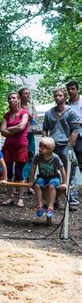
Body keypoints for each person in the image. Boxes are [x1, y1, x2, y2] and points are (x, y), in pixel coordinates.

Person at [43, 87, 80, 211]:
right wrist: (45, 143)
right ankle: (53, 200)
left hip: (65, 146)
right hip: (52, 146)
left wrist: (69, 146)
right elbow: (44, 129)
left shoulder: (72, 112)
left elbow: (75, 131)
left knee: (70, 173)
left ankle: (72, 201)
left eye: (60, 95)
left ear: (65, 97)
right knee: (51, 173)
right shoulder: (49, 113)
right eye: (55, 96)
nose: (57, 98)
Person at [0, 92, 29, 208]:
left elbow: (22, 126)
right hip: (8, 146)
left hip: (21, 146)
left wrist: (9, 129)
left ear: (18, 100)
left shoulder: (24, 113)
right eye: (10, 98)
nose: (12, 100)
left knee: (19, 172)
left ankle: (21, 198)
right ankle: (10, 196)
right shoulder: (6, 115)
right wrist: (13, 129)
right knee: (8, 172)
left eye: (14, 98)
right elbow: (2, 131)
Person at [29, 137, 67, 219]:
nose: (40, 148)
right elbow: (33, 169)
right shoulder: (37, 156)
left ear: (50, 148)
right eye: (40, 146)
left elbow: (62, 170)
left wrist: (64, 183)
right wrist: (31, 181)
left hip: (54, 177)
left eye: (43, 146)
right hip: (42, 177)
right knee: (37, 185)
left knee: (51, 186)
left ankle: (50, 206)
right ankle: (39, 204)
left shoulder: (55, 157)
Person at [19, 87, 38, 195]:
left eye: (28, 93)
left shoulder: (32, 107)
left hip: (31, 135)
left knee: (31, 158)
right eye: (25, 93)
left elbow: (36, 121)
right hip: (21, 135)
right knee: (21, 158)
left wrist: (32, 117)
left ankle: (30, 184)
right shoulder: (18, 107)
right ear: (21, 96)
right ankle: (22, 183)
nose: (27, 95)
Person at [66, 80, 81, 209]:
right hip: (71, 139)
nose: (71, 91)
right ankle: (72, 198)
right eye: (69, 89)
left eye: (73, 89)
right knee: (70, 168)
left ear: (77, 89)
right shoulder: (66, 105)